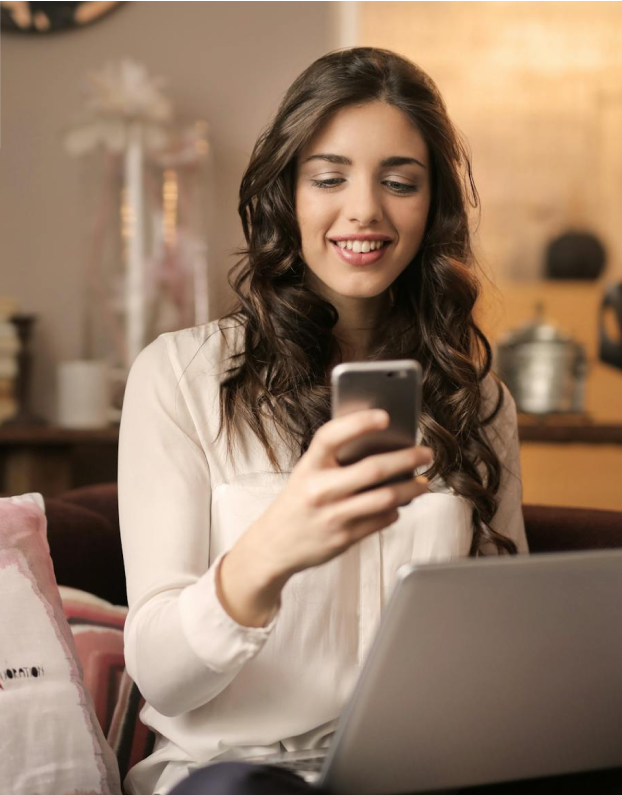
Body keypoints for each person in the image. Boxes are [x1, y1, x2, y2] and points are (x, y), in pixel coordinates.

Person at [118, 45, 530, 795]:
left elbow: (503, 636)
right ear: (287, 194)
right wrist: (270, 549)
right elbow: (163, 678)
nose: (364, 209)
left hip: (419, 768)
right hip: (235, 773)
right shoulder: (180, 377)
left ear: (430, 206)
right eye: (329, 177)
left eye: (398, 182)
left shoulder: (478, 400)